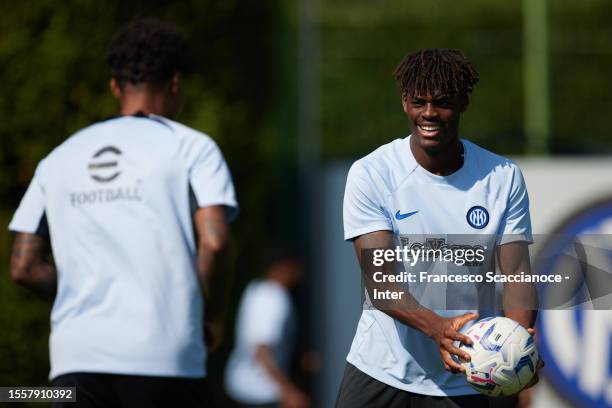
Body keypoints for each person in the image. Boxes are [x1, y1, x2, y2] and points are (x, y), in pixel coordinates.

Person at [9, 18, 238, 407]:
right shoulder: (192, 147)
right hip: (166, 358)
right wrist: (210, 318)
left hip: (74, 360)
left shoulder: (60, 156)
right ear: (175, 83)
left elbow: (23, 266)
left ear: (115, 87)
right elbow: (215, 241)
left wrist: (81, 289)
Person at [336, 48, 542, 408]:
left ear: (463, 102)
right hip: (382, 370)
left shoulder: (503, 177)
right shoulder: (372, 173)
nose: (429, 113)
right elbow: (381, 283)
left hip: (468, 376)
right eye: (419, 102)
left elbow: (517, 273)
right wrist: (437, 328)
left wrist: (518, 343)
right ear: (404, 103)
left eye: (442, 102)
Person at [225, 251, 310, 408]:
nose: (299, 275)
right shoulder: (275, 298)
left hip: (239, 387)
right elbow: (262, 352)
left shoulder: (255, 289)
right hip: (259, 393)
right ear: (283, 268)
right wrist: (289, 393)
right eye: (296, 269)